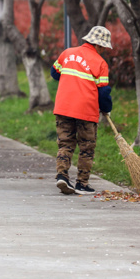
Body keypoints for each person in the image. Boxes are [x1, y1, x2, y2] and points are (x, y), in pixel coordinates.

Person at [50, 25, 113, 195]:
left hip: (63, 107)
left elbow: (54, 74)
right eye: (104, 48)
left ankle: (62, 176)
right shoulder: (100, 63)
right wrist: (107, 109)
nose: (104, 51)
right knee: (86, 147)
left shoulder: (67, 53)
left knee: (65, 144)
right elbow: (103, 93)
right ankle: (82, 184)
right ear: (98, 45)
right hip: (86, 111)